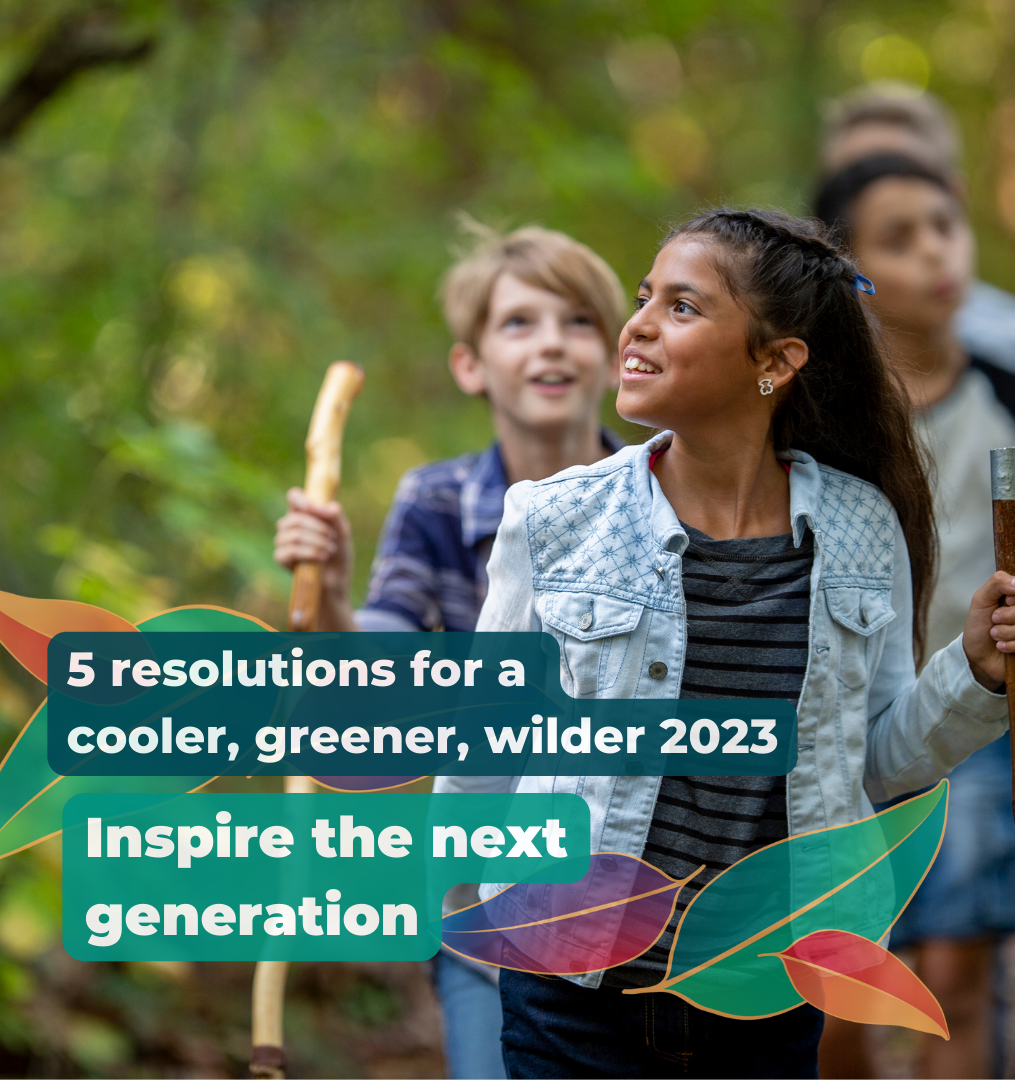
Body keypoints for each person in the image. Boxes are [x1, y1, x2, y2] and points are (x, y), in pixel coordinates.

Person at [435, 207, 1015, 1079]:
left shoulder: (861, 528)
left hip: (764, 995)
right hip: (571, 988)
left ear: (775, 363)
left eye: (682, 307)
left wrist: (973, 674)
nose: (636, 325)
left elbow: (875, 760)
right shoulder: (554, 519)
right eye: (643, 298)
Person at [273, 223, 627, 1079]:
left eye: (578, 321)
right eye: (519, 323)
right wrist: (329, 593)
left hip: (636, 896)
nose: (550, 342)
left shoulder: (661, 495)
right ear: (471, 365)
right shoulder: (435, 502)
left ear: (617, 358)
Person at [812, 155, 1015, 1079]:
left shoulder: (1005, 396)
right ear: (848, 274)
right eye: (900, 237)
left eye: (945, 223)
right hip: (843, 727)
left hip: (981, 723)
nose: (936, 249)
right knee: (839, 995)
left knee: (954, 983)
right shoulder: (818, 422)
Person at [819, 84, 1015, 373]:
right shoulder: (802, 368)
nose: (884, 188)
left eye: (902, 168)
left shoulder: (1004, 351)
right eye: (856, 178)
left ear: (955, 195)